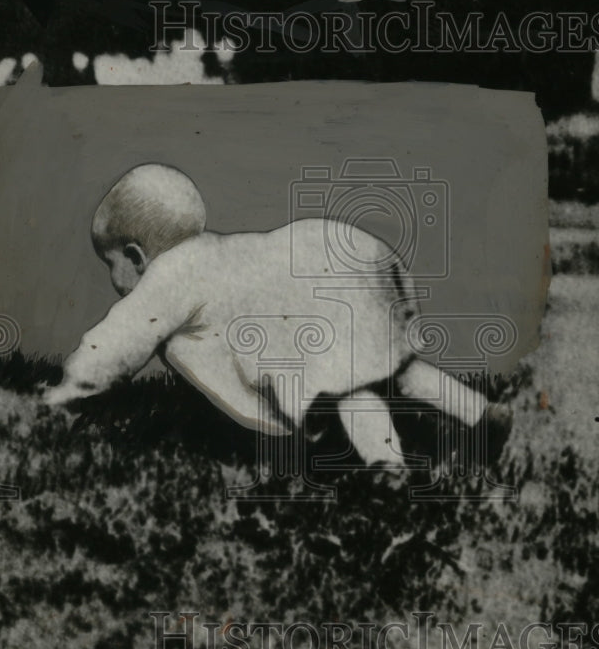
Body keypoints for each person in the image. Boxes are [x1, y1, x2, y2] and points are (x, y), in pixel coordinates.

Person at [44, 163, 512, 468]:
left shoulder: (170, 273)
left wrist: (67, 392)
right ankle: (478, 413)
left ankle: (385, 465)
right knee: (393, 369)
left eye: (113, 266)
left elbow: (116, 343)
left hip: (316, 277)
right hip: (341, 251)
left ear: (136, 254)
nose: (114, 280)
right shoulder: (219, 255)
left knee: (349, 386)